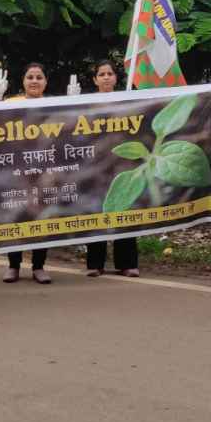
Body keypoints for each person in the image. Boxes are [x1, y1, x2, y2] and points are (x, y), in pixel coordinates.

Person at [0, 62, 53, 284]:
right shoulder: (11, 103)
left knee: (41, 215)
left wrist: (72, 101)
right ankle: (13, 265)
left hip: (45, 168)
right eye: (30, 77)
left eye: (39, 77)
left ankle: (39, 266)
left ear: (45, 82)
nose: (34, 81)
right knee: (17, 214)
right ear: (23, 81)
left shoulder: (54, 104)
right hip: (16, 168)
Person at [85, 60, 141, 278]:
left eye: (109, 74)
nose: (106, 77)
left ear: (116, 78)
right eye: (101, 74)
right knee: (96, 211)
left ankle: (127, 263)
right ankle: (94, 264)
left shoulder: (127, 102)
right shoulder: (86, 104)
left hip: (122, 164)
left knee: (124, 210)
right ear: (95, 80)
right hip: (95, 166)